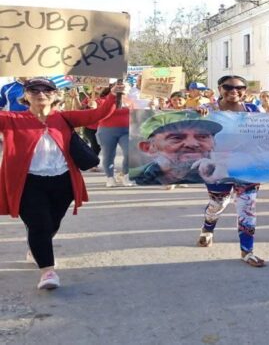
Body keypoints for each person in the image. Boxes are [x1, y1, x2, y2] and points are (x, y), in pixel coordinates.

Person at [0, 78, 122, 289]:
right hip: (28, 183)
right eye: (34, 90)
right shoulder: (12, 118)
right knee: (40, 224)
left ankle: (37, 246)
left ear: (55, 95)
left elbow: (97, 114)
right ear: (26, 95)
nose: (41, 93)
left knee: (52, 224)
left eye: (47, 89)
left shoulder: (64, 118)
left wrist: (113, 94)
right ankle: (47, 272)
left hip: (62, 181)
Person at [194, 75, 269, 267]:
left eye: (239, 87)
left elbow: (265, 133)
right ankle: (207, 229)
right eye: (228, 87)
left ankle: (247, 251)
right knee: (218, 204)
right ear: (219, 89)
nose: (234, 90)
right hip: (217, 168)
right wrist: (197, 116)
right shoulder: (207, 110)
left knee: (247, 207)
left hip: (248, 167)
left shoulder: (253, 110)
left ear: (245, 90)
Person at [129, 111, 222, 185]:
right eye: (177, 138)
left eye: (202, 137)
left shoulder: (228, 175)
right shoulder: (134, 179)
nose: (192, 144)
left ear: (214, 143)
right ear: (149, 148)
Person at [96, 85, 134, 187]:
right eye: (121, 87)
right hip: (106, 130)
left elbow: (137, 113)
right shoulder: (103, 100)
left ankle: (125, 175)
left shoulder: (129, 100)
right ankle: (110, 177)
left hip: (126, 130)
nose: (124, 89)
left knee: (130, 152)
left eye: (126, 88)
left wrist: (152, 105)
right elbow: (102, 112)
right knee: (108, 155)